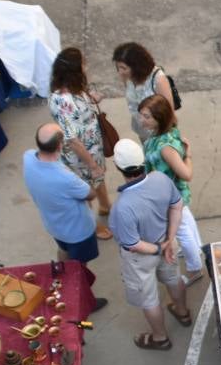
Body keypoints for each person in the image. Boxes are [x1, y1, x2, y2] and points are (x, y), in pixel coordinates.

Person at [107, 139, 192, 351]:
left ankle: (160, 337)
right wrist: (169, 240)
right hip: (166, 242)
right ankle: (182, 312)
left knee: (149, 298)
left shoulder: (122, 206)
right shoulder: (161, 179)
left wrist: (157, 249)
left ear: (118, 167)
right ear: (142, 161)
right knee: (173, 277)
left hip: (143, 257)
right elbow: (176, 206)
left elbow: (132, 244)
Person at [21, 124, 108, 312]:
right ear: (60, 146)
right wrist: (93, 173)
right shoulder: (65, 178)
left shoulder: (28, 157)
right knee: (79, 268)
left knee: (63, 250)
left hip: (54, 225)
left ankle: (61, 276)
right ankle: (83, 299)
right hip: (78, 231)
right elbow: (90, 194)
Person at [138, 94, 205, 284]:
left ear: (159, 117)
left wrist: (189, 156)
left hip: (171, 197)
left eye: (147, 116)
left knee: (182, 231)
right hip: (175, 195)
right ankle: (197, 249)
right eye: (141, 115)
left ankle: (195, 268)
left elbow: (186, 174)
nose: (142, 120)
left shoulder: (165, 147)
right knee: (187, 223)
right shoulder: (163, 133)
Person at [47, 47, 112, 240]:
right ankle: (94, 226)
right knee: (86, 191)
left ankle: (105, 205)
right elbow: (73, 140)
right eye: (83, 63)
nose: (86, 66)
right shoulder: (63, 102)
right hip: (81, 157)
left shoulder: (73, 87)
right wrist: (91, 165)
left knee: (99, 179)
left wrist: (91, 98)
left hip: (93, 148)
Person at [112, 42, 177, 142]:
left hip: (158, 134)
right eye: (118, 67)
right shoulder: (127, 76)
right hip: (142, 129)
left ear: (136, 67)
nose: (120, 72)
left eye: (123, 68)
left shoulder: (158, 79)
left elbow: (169, 113)